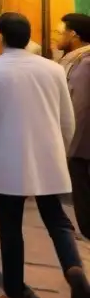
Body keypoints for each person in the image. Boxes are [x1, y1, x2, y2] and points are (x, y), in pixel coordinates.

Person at [0, 12, 90, 298]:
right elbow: (67, 118)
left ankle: (15, 295)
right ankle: (74, 269)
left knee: (10, 226)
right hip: (48, 158)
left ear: (2, 36)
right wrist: (62, 151)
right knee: (57, 220)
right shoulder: (53, 68)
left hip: (7, 161)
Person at [57, 13, 90, 239]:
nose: (58, 37)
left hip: (82, 142)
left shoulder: (84, 63)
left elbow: (80, 106)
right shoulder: (78, 60)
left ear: (73, 35)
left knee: (83, 189)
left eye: (61, 32)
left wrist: (70, 143)